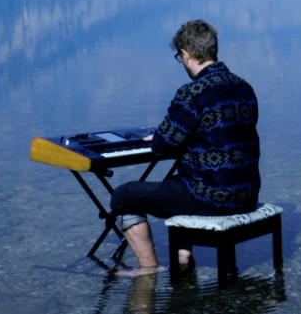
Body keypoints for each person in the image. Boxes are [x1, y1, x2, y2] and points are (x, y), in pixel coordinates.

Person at [110, 19, 261, 273]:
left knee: (123, 196)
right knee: (178, 182)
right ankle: (182, 257)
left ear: (185, 54)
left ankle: (149, 272)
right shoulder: (244, 87)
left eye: (179, 57)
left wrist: (160, 135)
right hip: (246, 195)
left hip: (212, 198)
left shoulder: (193, 92)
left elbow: (162, 148)